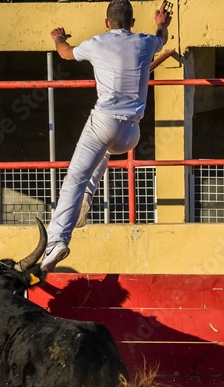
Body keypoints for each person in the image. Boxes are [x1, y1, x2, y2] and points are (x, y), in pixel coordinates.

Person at [41, 0, 172, 272]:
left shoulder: (97, 43)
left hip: (105, 121)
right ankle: (86, 200)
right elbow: (162, 37)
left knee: (74, 179)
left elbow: (65, 54)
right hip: (131, 132)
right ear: (132, 23)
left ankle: (56, 241)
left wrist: (58, 38)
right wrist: (161, 24)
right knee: (101, 153)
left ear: (106, 22)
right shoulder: (146, 42)